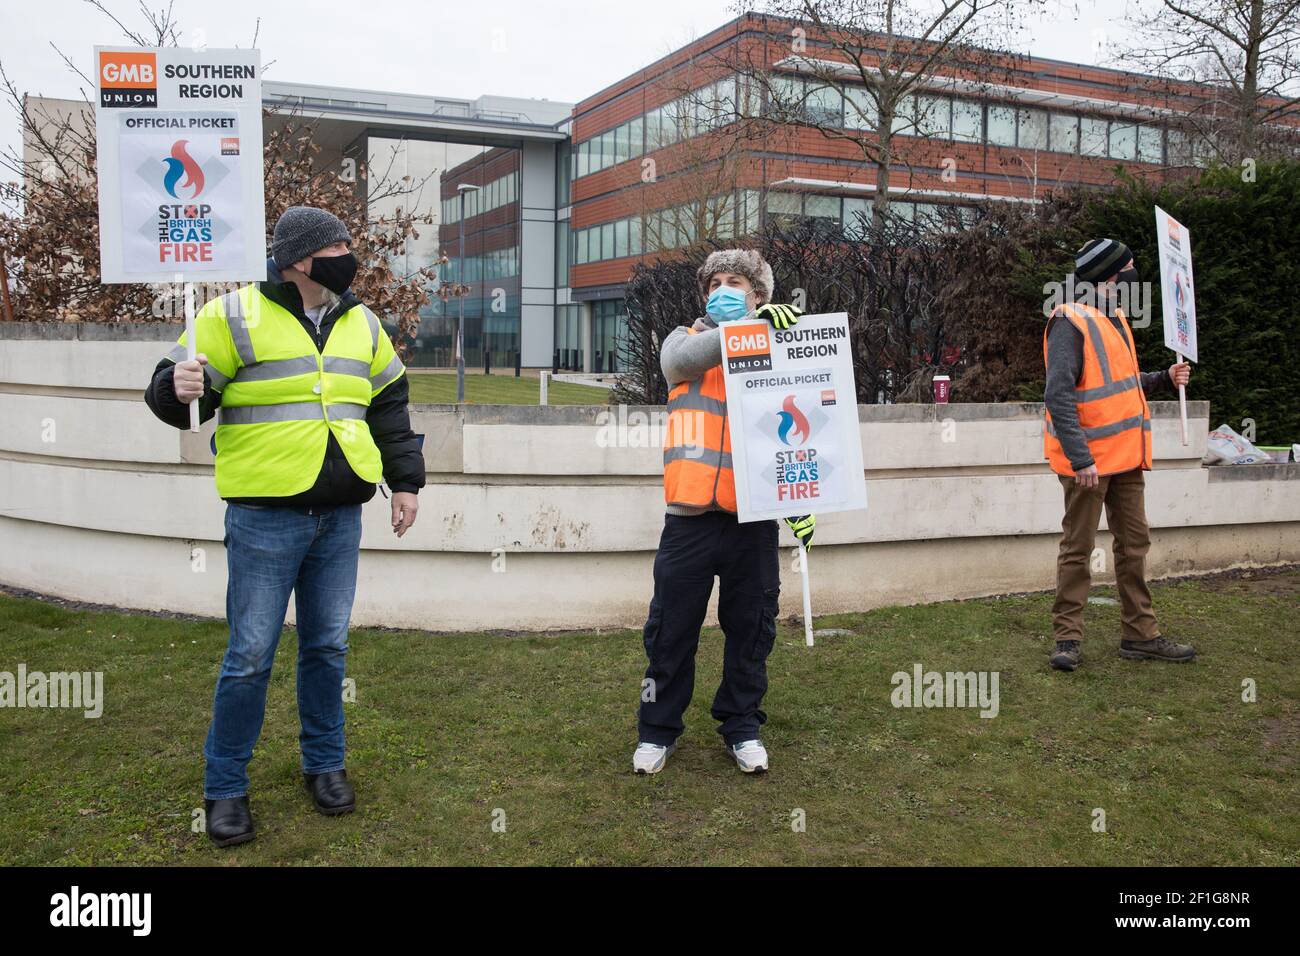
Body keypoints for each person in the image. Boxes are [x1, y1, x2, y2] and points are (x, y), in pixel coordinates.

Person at [144, 206, 425, 846]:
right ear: (298, 258)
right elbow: (173, 395)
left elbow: (390, 407)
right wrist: (177, 387)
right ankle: (225, 788)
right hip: (264, 516)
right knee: (249, 656)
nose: (348, 253)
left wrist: (405, 483)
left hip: (340, 516)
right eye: (337, 244)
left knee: (328, 648)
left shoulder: (363, 322)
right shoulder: (232, 314)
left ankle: (323, 765)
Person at [633, 248, 815, 775]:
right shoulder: (683, 341)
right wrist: (755, 329)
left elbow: (807, 425)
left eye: (735, 281)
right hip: (688, 518)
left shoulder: (782, 343)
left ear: (760, 294)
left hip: (752, 518)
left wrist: (803, 499)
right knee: (670, 631)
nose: (722, 290)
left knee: (752, 628)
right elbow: (678, 364)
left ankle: (742, 727)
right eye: (714, 282)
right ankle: (657, 731)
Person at [1043, 237, 1195, 672]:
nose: (1134, 271)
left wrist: (1163, 377)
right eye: (1129, 264)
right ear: (1111, 274)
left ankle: (1140, 635)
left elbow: (1120, 384)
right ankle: (1067, 639)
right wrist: (1081, 459)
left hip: (1126, 458)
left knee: (1134, 545)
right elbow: (1058, 394)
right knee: (1078, 548)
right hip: (1088, 463)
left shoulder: (1114, 318)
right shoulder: (1069, 321)